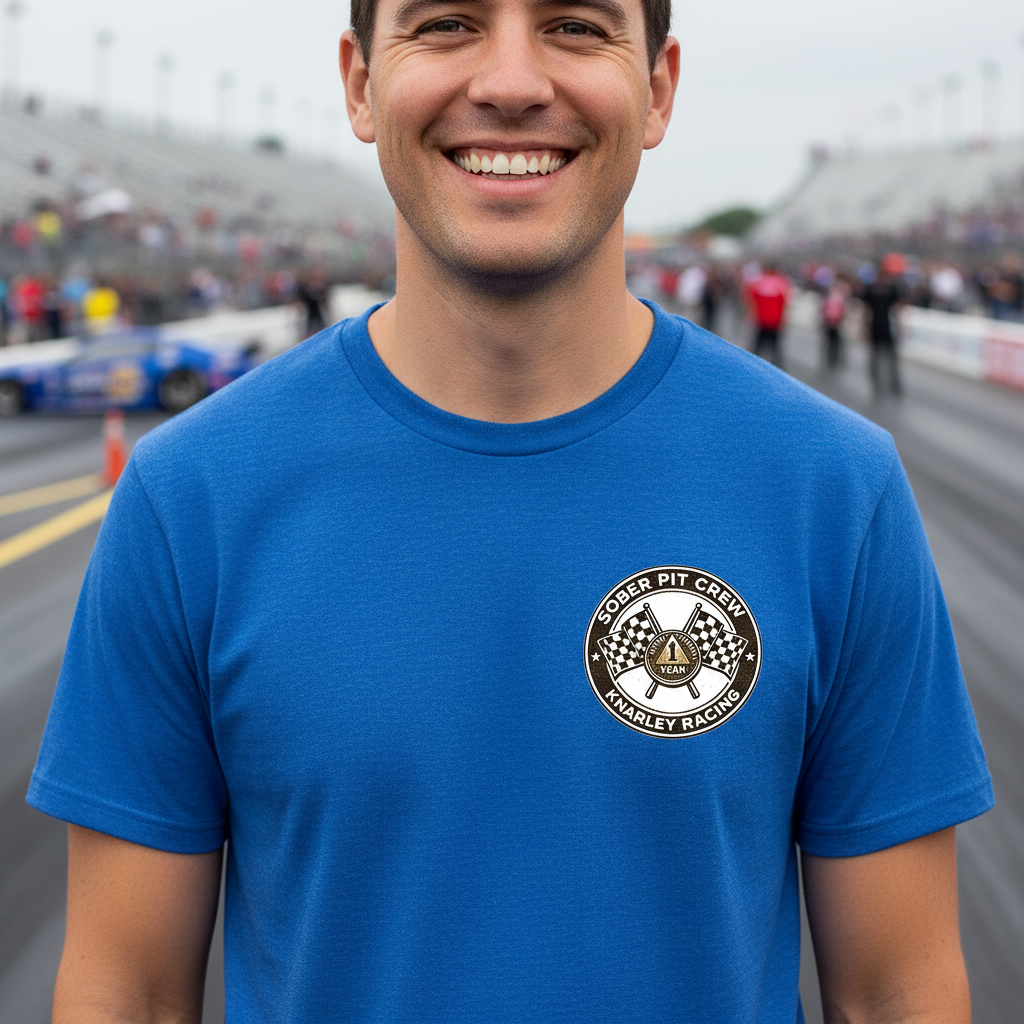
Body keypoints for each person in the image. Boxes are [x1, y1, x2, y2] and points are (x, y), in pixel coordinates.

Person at [29, 0, 992, 1022]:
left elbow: (897, 991)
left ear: (658, 86)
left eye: (575, 25)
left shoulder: (834, 490)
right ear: (359, 83)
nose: (511, 81)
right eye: (446, 22)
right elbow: (124, 991)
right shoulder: (189, 499)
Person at [860, 256, 905, 396]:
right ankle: (880, 385)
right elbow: (866, 309)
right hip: (877, 326)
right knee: (877, 358)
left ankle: (893, 386)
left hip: (885, 326)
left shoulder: (888, 289)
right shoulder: (873, 289)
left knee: (889, 359)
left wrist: (899, 326)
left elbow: (898, 308)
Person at [745, 260, 790, 365]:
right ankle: (777, 368)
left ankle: (753, 365)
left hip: (761, 319)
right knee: (775, 347)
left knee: (758, 346)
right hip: (775, 320)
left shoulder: (758, 282)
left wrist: (751, 315)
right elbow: (785, 302)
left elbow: (750, 300)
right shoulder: (781, 283)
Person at [821, 275, 850, 369]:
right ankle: (832, 358)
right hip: (831, 321)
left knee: (835, 341)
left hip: (835, 321)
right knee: (831, 341)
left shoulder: (838, 294)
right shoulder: (834, 294)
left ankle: (834, 358)